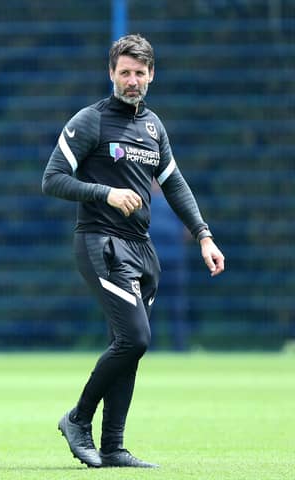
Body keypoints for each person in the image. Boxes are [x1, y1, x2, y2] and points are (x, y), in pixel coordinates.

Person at [42, 34, 225, 468]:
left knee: (126, 343)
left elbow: (175, 184)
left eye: (139, 73)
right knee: (136, 338)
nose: (132, 80)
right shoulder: (90, 121)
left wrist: (203, 234)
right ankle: (77, 419)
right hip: (99, 242)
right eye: (124, 72)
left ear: (151, 76)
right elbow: (51, 179)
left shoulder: (153, 127)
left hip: (141, 250)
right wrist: (106, 192)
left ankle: (114, 446)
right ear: (111, 73)